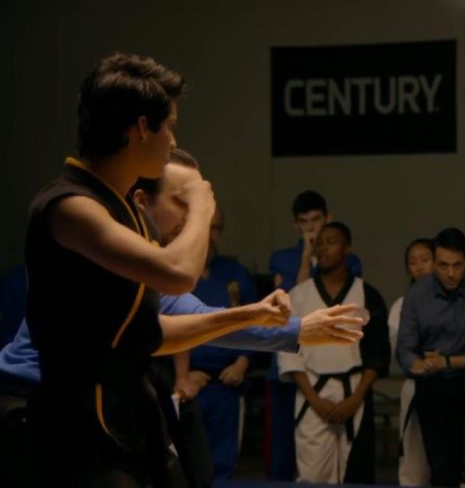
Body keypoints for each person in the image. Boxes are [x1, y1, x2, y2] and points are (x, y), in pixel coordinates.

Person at [5, 144, 364, 487]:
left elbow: (205, 320)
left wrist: (300, 328)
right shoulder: (104, 246)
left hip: (90, 407)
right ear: (141, 202)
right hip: (29, 404)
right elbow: (153, 330)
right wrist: (204, 213)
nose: (193, 213)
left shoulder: (148, 266)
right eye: (183, 200)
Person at [278, 222, 390, 484]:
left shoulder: (366, 294)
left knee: (356, 472)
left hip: (355, 391)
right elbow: (287, 351)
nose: (324, 248)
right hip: (312, 390)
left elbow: (377, 352)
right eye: (320, 243)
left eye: (332, 241)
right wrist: (313, 398)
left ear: (347, 248)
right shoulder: (299, 295)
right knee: (312, 474)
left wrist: (356, 398)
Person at [265, 189, 363, 480]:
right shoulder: (282, 258)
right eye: (304, 221)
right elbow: (298, 300)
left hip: (334, 362)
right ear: (295, 224)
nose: (311, 227)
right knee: (288, 452)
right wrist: (308, 254)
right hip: (291, 363)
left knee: (344, 459)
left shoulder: (350, 260)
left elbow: (327, 298)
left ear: (327, 217)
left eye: (316, 220)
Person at [396, 227, 465, 488]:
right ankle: (445, 475)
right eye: (443, 265)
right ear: (434, 262)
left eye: (457, 265)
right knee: (441, 467)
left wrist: (449, 361)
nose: (451, 273)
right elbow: (404, 347)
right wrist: (418, 364)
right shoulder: (418, 293)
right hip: (432, 378)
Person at [189, 206, 257, 480]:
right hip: (188, 384)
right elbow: (158, 328)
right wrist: (181, 374)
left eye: (217, 228)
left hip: (227, 383)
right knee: (185, 463)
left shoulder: (236, 275)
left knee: (223, 465)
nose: (211, 235)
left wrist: (243, 361)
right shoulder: (174, 273)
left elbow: (255, 324)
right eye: (206, 227)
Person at [387, 237, 434, 487]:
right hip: (416, 385)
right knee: (414, 459)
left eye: (425, 260)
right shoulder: (401, 306)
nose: (419, 267)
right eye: (412, 262)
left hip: (451, 384)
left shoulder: (456, 301)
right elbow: (402, 351)